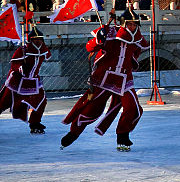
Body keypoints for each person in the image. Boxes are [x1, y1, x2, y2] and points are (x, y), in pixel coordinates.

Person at [60, 9, 150, 151]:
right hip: (104, 77)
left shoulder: (138, 38)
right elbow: (89, 47)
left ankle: (123, 136)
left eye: (135, 24)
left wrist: (129, 64)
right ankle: (74, 133)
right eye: (130, 24)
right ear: (123, 23)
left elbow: (136, 53)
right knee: (92, 109)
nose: (132, 27)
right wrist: (99, 40)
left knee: (133, 108)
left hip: (124, 78)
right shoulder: (110, 33)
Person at [0, 25, 51, 134]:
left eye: (40, 39)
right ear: (30, 40)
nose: (38, 42)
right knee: (4, 102)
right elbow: (14, 64)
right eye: (36, 40)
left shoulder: (43, 49)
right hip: (18, 81)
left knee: (41, 101)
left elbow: (47, 55)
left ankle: (35, 123)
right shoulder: (23, 50)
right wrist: (21, 67)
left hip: (33, 81)